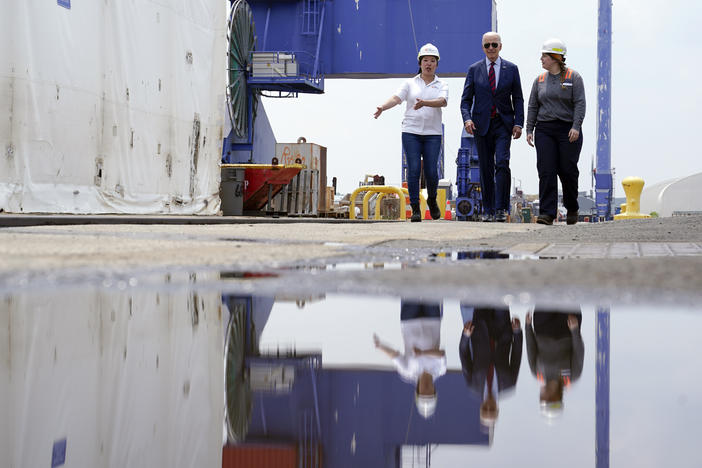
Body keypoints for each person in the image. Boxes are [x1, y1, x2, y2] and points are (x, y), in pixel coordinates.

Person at [374, 43, 448, 222]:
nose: (428, 64)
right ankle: (415, 208)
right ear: (420, 63)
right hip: (411, 131)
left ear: (437, 64)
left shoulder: (442, 84)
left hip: (433, 133)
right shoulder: (409, 83)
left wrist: (425, 103)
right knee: (414, 169)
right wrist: (383, 107)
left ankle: (431, 199)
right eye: (425, 60)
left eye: (432, 61)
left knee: (431, 170)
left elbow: (442, 101)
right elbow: (396, 98)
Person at [460, 32, 524, 223]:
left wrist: (518, 122)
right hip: (481, 125)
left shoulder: (511, 69)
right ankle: (488, 210)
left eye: (494, 45)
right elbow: (465, 100)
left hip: (503, 124)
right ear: (482, 48)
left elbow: (518, 98)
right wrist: (467, 119)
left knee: (502, 163)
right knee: (485, 168)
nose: (490, 49)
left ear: (500, 47)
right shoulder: (474, 70)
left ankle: (501, 209)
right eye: (487, 45)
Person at [525, 38, 586, 226]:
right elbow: (533, 106)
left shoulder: (573, 78)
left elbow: (580, 103)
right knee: (546, 170)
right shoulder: (540, 80)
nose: (541, 59)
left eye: (544, 55)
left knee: (567, 170)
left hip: (568, 130)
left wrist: (576, 126)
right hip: (545, 129)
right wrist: (529, 129)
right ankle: (547, 213)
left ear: (555, 57)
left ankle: (572, 207)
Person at [373, 300, 446, 418]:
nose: (427, 389)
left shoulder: (407, 372)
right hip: (432, 320)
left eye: (424, 393)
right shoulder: (440, 371)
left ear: (417, 391)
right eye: (430, 393)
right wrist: (422, 353)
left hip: (409, 321)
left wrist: (380, 346)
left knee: (411, 290)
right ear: (434, 391)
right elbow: (441, 354)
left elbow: (395, 356)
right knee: (432, 290)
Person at [459, 305, 522, 429]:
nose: (488, 407)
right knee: (500, 296)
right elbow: (516, 356)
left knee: (481, 295)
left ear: (481, 407)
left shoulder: (473, 386)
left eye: (485, 409)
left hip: (480, 330)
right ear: (497, 409)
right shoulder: (509, 385)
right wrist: (517, 333)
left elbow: (464, 356)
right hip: (503, 331)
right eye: (492, 410)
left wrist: (466, 336)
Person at [525, 309, 584, 419]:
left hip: (542, 328)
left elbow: (531, 349)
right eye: (544, 398)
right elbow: (579, 351)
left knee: (545, 294)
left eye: (541, 398)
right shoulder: (572, 376)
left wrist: (528, 327)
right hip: (567, 328)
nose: (541, 396)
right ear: (554, 398)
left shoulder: (537, 374)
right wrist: (575, 331)